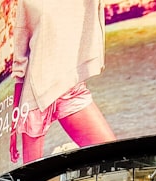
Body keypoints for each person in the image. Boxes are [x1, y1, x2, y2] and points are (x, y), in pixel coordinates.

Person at [7, 0, 114, 165]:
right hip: (34, 100)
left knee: (113, 157)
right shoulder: (27, 3)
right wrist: (14, 125)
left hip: (70, 90)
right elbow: (19, 66)